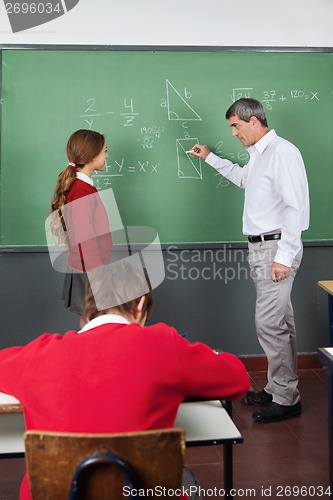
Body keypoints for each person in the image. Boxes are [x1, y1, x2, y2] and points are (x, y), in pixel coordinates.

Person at [0, 259, 250, 500]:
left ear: (89, 305)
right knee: (185, 481)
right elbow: (238, 379)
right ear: (140, 304)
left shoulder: (39, 354)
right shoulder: (164, 345)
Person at [189, 98, 310, 423]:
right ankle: (278, 388)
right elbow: (245, 179)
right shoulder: (259, 156)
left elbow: (294, 208)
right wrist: (211, 158)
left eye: (236, 126)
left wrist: (284, 256)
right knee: (281, 322)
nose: (233, 133)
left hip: (276, 249)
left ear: (254, 121)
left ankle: (286, 398)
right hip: (262, 249)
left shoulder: (282, 153)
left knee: (269, 324)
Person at [50, 129, 112, 320]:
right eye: (104, 151)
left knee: (96, 324)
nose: (107, 155)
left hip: (92, 269)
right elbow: (85, 240)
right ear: (92, 155)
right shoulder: (81, 191)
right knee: (94, 324)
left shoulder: (84, 187)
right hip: (90, 271)